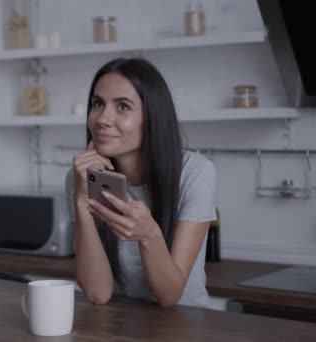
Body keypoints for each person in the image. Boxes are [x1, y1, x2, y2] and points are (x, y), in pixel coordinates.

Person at [64, 58, 216, 308]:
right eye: (98, 104)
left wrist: (150, 235)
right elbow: (98, 293)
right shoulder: (79, 177)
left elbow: (169, 296)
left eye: (122, 107)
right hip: (122, 324)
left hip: (185, 324)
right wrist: (81, 202)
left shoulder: (195, 172)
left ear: (152, 117)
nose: (102, 119)